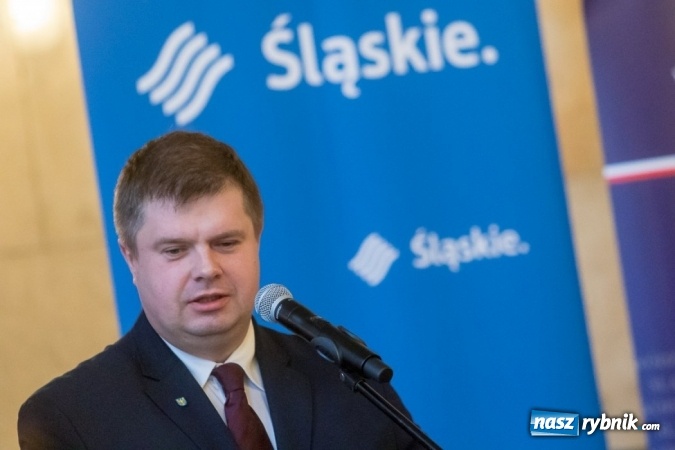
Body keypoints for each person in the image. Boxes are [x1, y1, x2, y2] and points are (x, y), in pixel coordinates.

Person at [17, 131, 423, 449]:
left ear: (257, 238)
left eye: (226, 243)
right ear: (131, 258)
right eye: (175, 250)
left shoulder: (344, 380)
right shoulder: (72, 418)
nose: (207, 269)